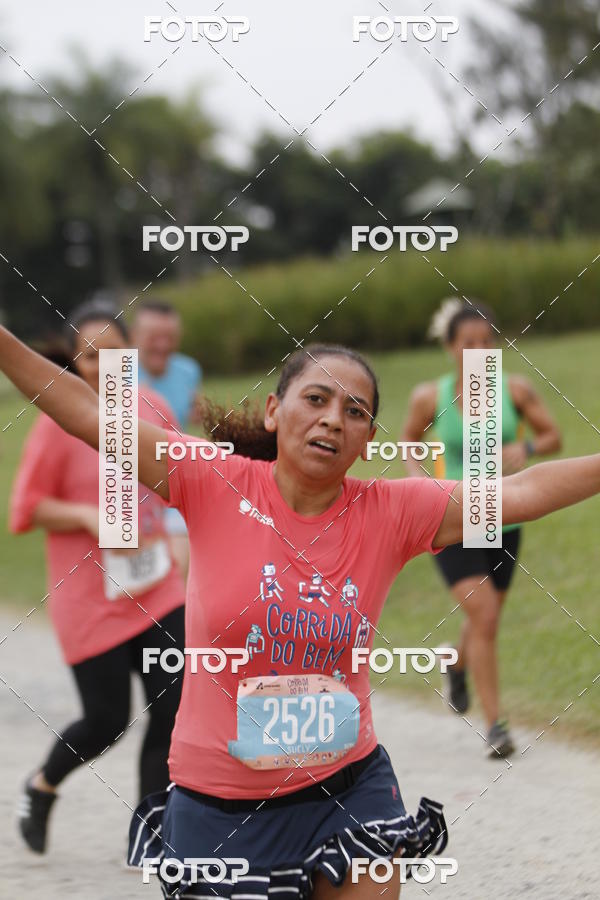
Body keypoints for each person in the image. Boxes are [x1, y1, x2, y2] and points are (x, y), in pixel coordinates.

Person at [1, 328, 598, 900]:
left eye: (356, 411)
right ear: (273, 411)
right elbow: (84, 413)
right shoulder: (211, 481)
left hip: (348, 790)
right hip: (219, 808)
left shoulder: (395, 511)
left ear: (367, 440)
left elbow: (525, 491)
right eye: (316, 399)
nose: (334, 418)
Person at [9, 301, 186, 855]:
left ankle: (154, 833)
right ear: (76, 360)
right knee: (106, 720)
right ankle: (42, 786)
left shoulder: (152, 408)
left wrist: (181, 538)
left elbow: (183, 483)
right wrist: (88, 517)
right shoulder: (57, 423)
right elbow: (26, 507)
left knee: (175, 707)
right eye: (91, 355)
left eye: (115, 354)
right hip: (88, 596)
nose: (103, 365)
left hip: (156, 585)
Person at [401, 298, 562, 757]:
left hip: (504, 515)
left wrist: (527, 448)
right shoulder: (430, 396)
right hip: (451, 517)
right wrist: (417, 479)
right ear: (451, 347)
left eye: (487, 342)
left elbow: (553, 436)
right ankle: (497, 726)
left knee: (485, 619)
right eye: (468, 342)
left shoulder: (515, 390)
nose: (478, 351)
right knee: (486, 615)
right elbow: (409, 438)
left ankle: (455, 662)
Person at [132, 300, 203, 577]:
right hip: (126, 489)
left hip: (172, 482)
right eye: (153, 338)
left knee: (176, 568)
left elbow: (191, 416)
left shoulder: (189, 370)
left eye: (170, 338)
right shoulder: (116, 373)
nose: (162, 345)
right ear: (134, 337)